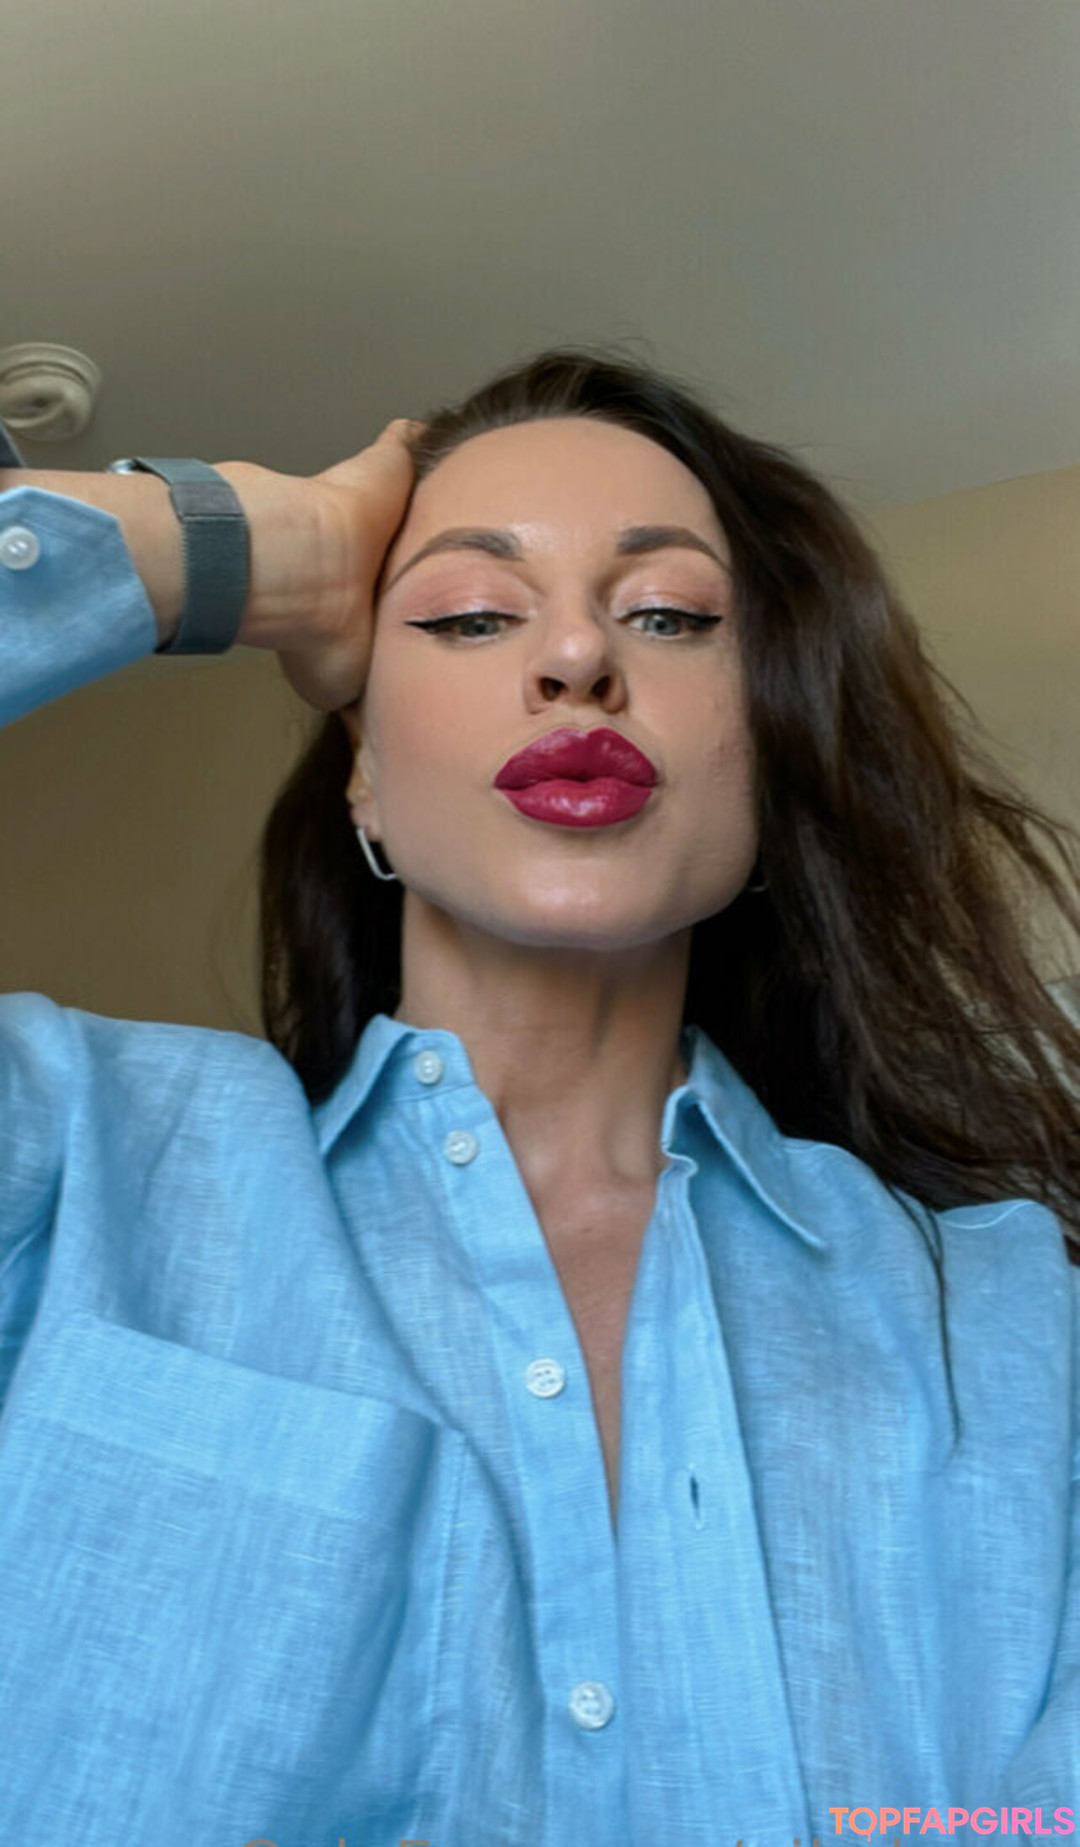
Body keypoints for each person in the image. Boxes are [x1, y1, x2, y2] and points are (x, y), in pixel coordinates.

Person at [0, 346, 1077, 1847]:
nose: (576, 659)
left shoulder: (1014, 1327)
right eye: (469, 613)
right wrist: (238, 552)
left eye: (670, 615)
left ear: (767, 752)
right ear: (364, 774)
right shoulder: (85, 1165)